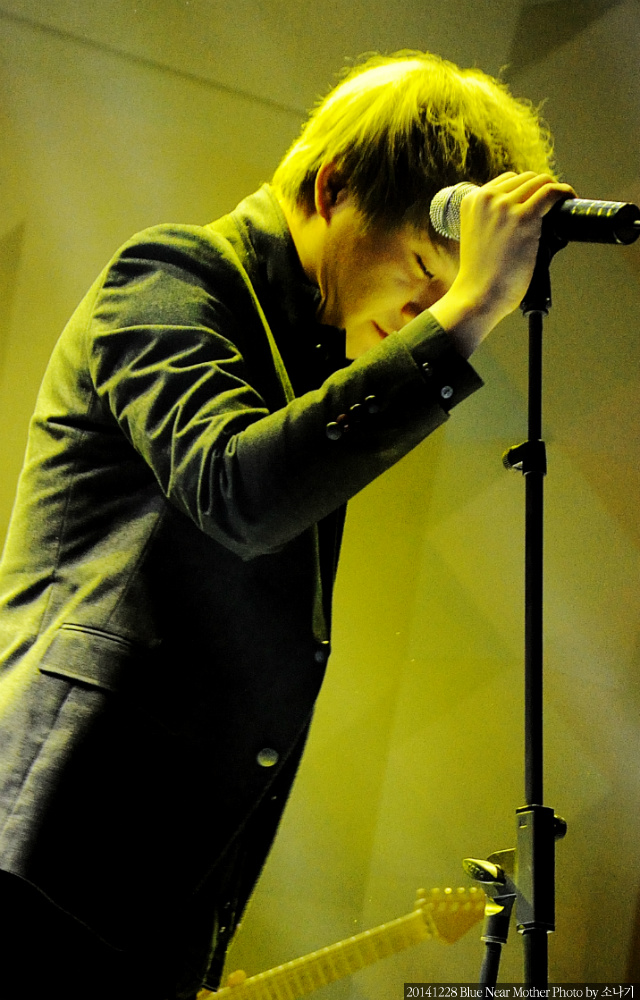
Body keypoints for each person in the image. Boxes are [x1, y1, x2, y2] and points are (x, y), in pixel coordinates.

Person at [0, 51, 572, 999]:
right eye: (425, 270)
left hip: (145, 905)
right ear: (332, 185)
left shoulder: (308, 361)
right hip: (52, 868)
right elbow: (241, 490)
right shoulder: (171, 275)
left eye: (447, 292)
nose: (426, 310)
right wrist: (471, 312)